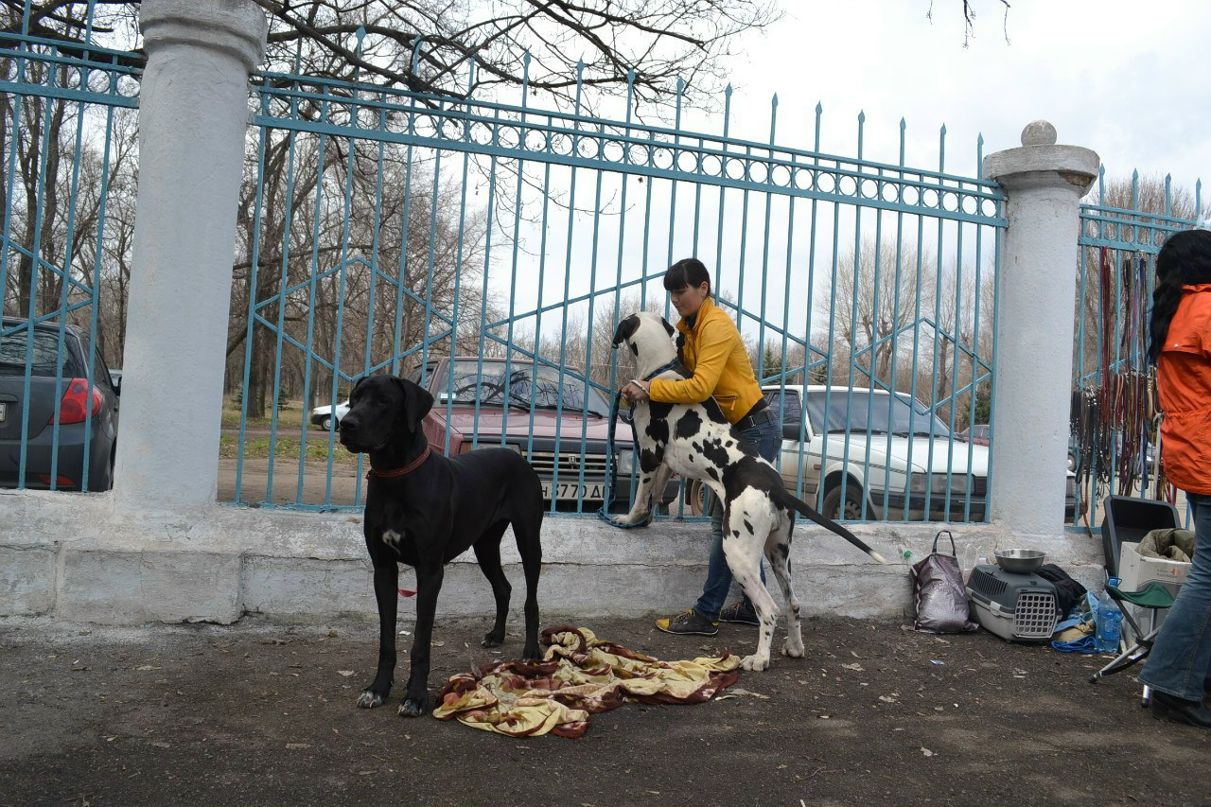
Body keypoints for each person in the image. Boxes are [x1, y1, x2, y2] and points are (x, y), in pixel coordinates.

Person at [621, 257, 781, 636]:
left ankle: (706, 613)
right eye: (672, 294)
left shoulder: (716, 326)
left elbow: (699, 387)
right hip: (732, 430)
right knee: (736, 521)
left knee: (721, 523)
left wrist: (648, 388)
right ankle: (746, 606)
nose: (676, 300)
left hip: (754, 430)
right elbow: (677, 373)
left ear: (703, 289)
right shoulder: (687, 329)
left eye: (681, 292)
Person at [1140, 228, 1211, 728]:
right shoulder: (1207, 309)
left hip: (1193, 453)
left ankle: (1188, 675)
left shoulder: (1175, 313)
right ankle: (1171, 679)